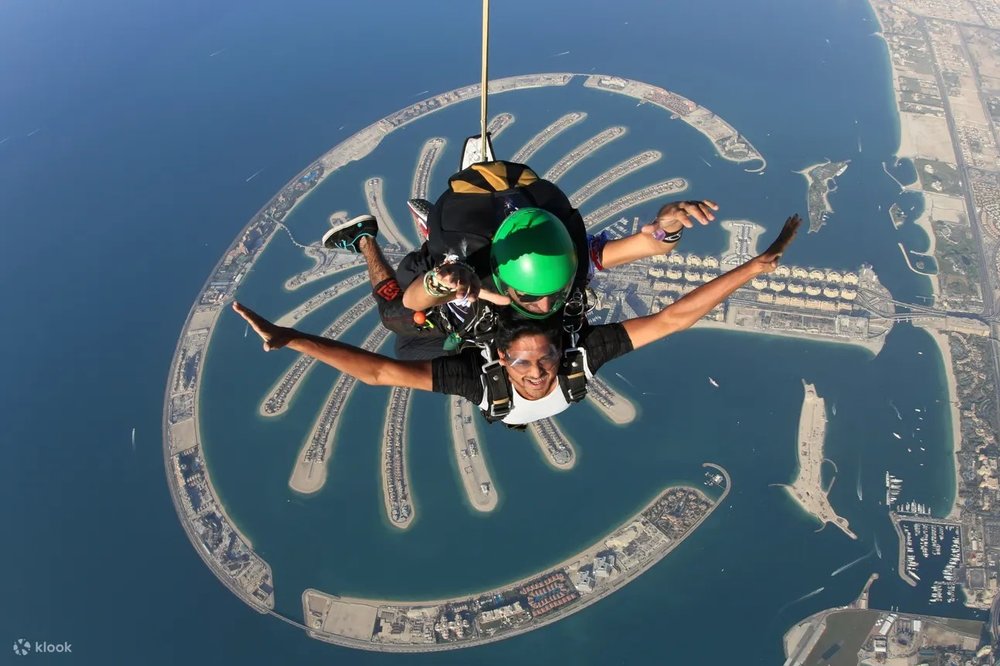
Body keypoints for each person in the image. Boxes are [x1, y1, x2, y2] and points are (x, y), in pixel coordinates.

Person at [236, 214, 800, 427]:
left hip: (461, 316)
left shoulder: (479, 381)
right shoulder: (581, 345)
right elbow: (673, 319)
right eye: (542, 360)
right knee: (400, 315)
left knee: (399, 322)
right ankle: (390, 242)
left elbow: (381, 374)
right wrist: (752, 267)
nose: (536, 371)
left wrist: (292, 339)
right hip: (487, 276)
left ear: (502, 363)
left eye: (529, 363)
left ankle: (369, 242)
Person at [322, 161, 717, 359]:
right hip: (451, 272)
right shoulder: (475, 281)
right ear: (500, 278)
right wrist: (440, 283)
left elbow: (649, 245)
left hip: (472, 282)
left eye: (554, 293)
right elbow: (409, 305)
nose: (545, 306)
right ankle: (363, 239)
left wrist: (667, 229)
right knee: (397, 327)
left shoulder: (571, 263)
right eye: (532, 296)